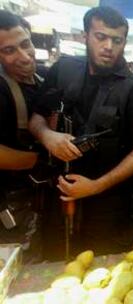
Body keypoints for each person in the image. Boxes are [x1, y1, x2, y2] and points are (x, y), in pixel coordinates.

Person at [29, 6, 133, 259]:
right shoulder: (63, 70)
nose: (108, 46)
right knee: (56, 268)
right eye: (101, 37)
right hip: (58, 194)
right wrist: (48, 137)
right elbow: (36, 118)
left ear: (124, 42)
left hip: (108, 203)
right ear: (85, 36)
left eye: (116, 40)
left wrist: (96, 186)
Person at [0, 10, 44, 263]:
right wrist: (40, 160)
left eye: (25, 44)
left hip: (37, 202)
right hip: (11, 208)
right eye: (9, 51)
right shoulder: (2, 89)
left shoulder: (41, 80)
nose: (24, 56)